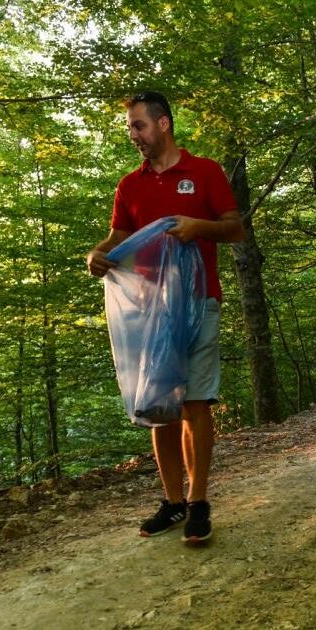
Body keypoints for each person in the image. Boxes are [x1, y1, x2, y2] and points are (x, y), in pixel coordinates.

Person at [86, 91, 245, 544]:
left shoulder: (205, 172)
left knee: (194, 403)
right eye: (130, 128)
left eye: (139, 126)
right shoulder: (129, 185)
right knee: (159, 409)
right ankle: (173, 502)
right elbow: (118, 238)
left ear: (164, 124)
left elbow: (235, 228)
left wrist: (200, 228)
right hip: (147, 311)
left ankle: (198, 503)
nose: (133, 135)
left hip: (198, 303)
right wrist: (95, 256)